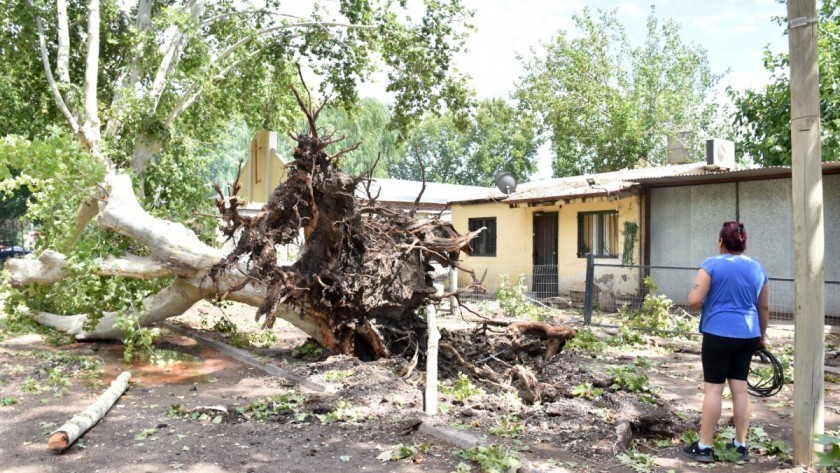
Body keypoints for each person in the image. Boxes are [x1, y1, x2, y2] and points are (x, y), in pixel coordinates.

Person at [682, 221, 770, 463]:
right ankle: (741, 446)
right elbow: (763, 307)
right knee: (740, 389)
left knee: (714, 389)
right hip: (749, 335)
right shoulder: (758, 268)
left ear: (721, 241)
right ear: (744, 244)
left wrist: (710, 297)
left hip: (718, 333)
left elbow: (694, 300)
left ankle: (704, 447)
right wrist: (761, 338)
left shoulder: (711, 264)